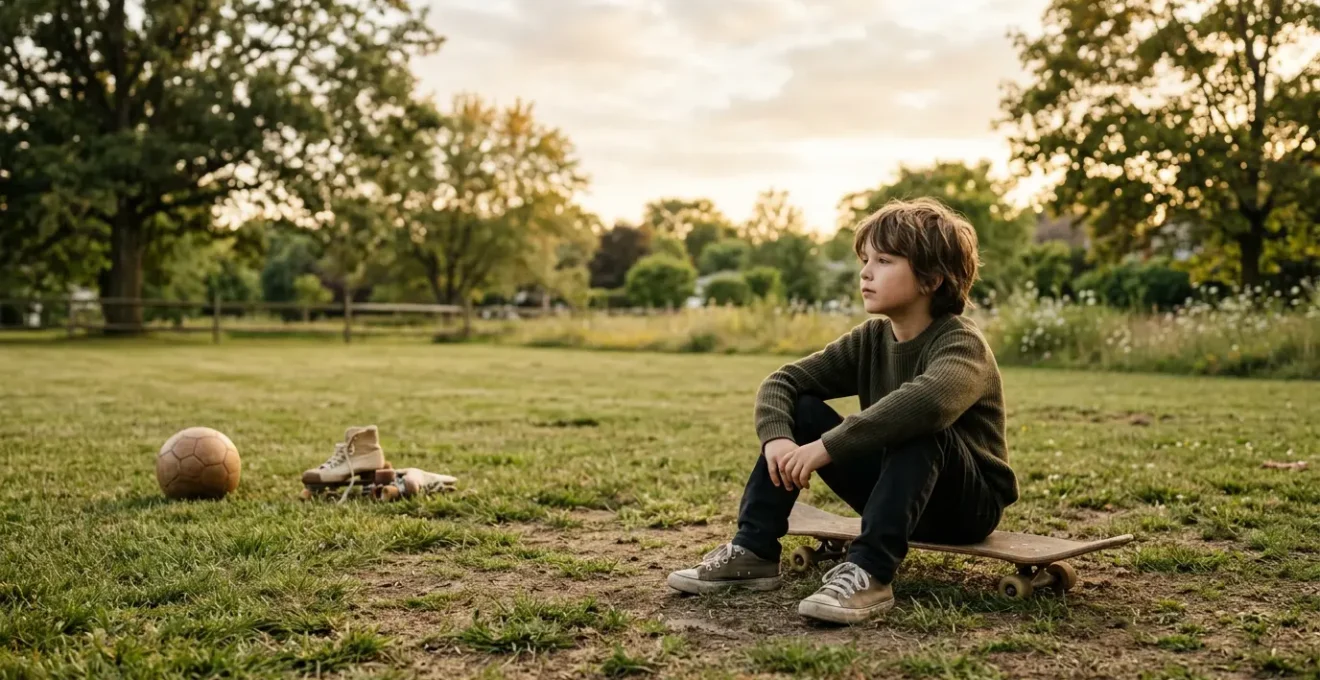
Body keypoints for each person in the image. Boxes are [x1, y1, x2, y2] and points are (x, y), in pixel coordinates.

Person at [666, 197, 1020, 625]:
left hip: (964, 507)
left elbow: (927, 404)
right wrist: (778, 438)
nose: (865, 272)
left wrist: (825, 448)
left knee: (918, 426)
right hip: (893, 496)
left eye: (884, 260)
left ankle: (870, 571)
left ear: (932, 279)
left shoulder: (961, 344)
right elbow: (783, 382)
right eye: (865, 259)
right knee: (801, 407)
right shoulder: (871, 339)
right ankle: (754, 550)